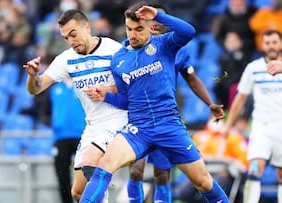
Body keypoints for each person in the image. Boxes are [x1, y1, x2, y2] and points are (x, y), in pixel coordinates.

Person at [80, 2, 229, 202]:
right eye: (129, 29)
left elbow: (189, 31)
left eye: (138, 29)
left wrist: (159, 15)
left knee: (203, 182)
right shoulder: (118, 60)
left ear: (151, 26)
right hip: (139, 128)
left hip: (168, 126)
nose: (132, 34)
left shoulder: (164, 45)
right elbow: (126, 100)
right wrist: (105, 96)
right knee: (105, 166)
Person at [22, 9, 128, 202]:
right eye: (66, 37)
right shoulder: (66, 59)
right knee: (77, 192)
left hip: (118, 120)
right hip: (93, 126)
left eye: (73, 34)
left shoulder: (113, 50)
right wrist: (32, 76)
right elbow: (36, 89)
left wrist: (107, 89)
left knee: (90, 164)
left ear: (86, 27)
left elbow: (131, 86)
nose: (71, 41)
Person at [125, 4, 225, 203]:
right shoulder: (129, 48)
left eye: (158, 19)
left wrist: (209, 103)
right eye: (149, 20)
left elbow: (191, 78)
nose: (153, 24)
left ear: (165, 23)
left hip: (165, 119)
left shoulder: (175, 50)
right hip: (138, 120)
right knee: (136, 170)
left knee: (162, 174)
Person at [221, 30, 282, 203]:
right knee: (255, 168)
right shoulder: (254, 68)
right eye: (268, 42)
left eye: (274, 42)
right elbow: (240, 98)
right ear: (263, 45)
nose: (271, 46)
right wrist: (228, 125)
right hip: (261, 127)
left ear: (280, 44)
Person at [175, 118, 249, 203]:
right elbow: (190, 157)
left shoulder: (233, 138)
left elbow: (243, 162)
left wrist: (230, 170)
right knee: (185, 192)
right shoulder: (200, 136)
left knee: (212, 192)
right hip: (201, 171)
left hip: (223, 173)